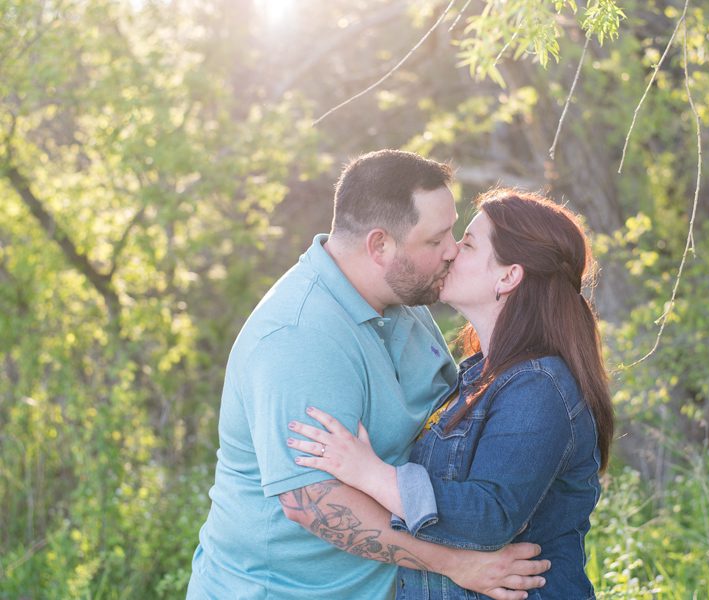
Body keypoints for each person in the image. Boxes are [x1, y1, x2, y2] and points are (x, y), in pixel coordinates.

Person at [187, 152, 549, 600]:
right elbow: (313, 504)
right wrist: (459, 564)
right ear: (380, 246)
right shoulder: (299, 337)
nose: (453, 250)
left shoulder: (404, 299)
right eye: (436, 239)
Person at [287, 188, 616, 599]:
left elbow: (489, 515)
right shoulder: (479, 376)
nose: (451, 252)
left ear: (508, 276)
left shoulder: (539, 386)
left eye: (468, 243)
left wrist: (370, 473)